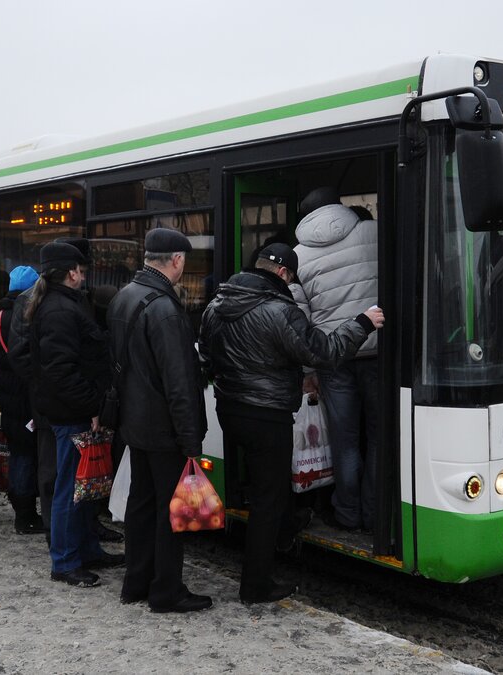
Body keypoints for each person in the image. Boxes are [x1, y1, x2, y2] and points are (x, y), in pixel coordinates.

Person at [199, 243, 384, 603]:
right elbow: (325, 353)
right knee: (267, 498)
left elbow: (207, 355)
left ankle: (287, 527)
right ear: (284, 274)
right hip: (268, 415)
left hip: (230, 410)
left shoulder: (216, 305)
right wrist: (363, 323)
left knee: (267, 482)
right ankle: (256, 585)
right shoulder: (281, 311)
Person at [108, 229, 211, 613]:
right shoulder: (165, 308)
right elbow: (179, 383)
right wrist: (191, 440)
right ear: (178, 261)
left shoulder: (125, 296)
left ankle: (136, 582)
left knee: (141, 505)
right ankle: (166, 591)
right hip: (164, 427)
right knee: (173, 511)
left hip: (135, 424)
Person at [26, 242, 122, 586]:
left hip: (71, 411)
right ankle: (65, 562)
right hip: (72, 415)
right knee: (70, 487)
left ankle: (86, 550)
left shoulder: (59, 305)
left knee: (84, 487)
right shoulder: (60, 311)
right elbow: (61, 372)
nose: (84, 276)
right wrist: (91, 408)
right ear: (72, 273)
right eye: (82, 270)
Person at [293, 187, 381, 532]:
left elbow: (299, 321)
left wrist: (309, 370)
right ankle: (375, 514)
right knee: (377, 437)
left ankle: (347, 513)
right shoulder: (374, 232)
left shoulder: (297, 255)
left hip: (333, 359)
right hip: (377, 355)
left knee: (344, 441)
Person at [0, 265, 46, 535]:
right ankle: (25, 516)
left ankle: (22, 510)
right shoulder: (26, 315)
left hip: (9, 395)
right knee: (26, 455)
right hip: (25, 396)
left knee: (20, 453)